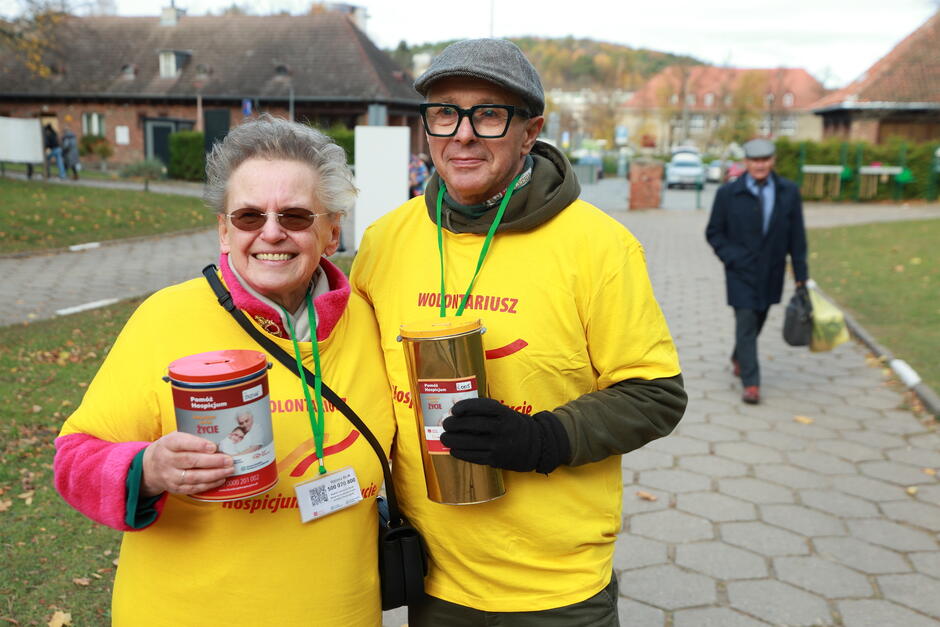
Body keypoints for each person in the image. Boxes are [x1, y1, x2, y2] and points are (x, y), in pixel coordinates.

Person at [351, 38, 686, 626]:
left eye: (488, 113)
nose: (463, 134)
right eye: (445, 112)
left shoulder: (599, 247)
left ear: (530, 132)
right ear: (426, 128)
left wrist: (542, 440)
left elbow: (656, 394)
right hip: (432, 575)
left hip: (555, 590)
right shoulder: (384, 242)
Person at [54, 114, 394, 626]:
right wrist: (146, 471)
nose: (272, 233)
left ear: (331, 232)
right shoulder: (165, 319)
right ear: (223, 230)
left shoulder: (368, 322)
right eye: (249, 217)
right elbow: (74, 461)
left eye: (297, 216)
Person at [705, 137, 809, 405]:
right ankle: (751, 383)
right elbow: (714, 232)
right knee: (746, 320)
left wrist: (801, 276)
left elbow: (797, 237)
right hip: (740, 271)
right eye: (755, 160)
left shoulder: (788, 191)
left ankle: (739, 355)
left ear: (773, 161)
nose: (760, 165)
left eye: (765, 160)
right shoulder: (728, 193)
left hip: (772, 271)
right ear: (746, 162)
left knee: (758, 319)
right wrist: (732, 258)